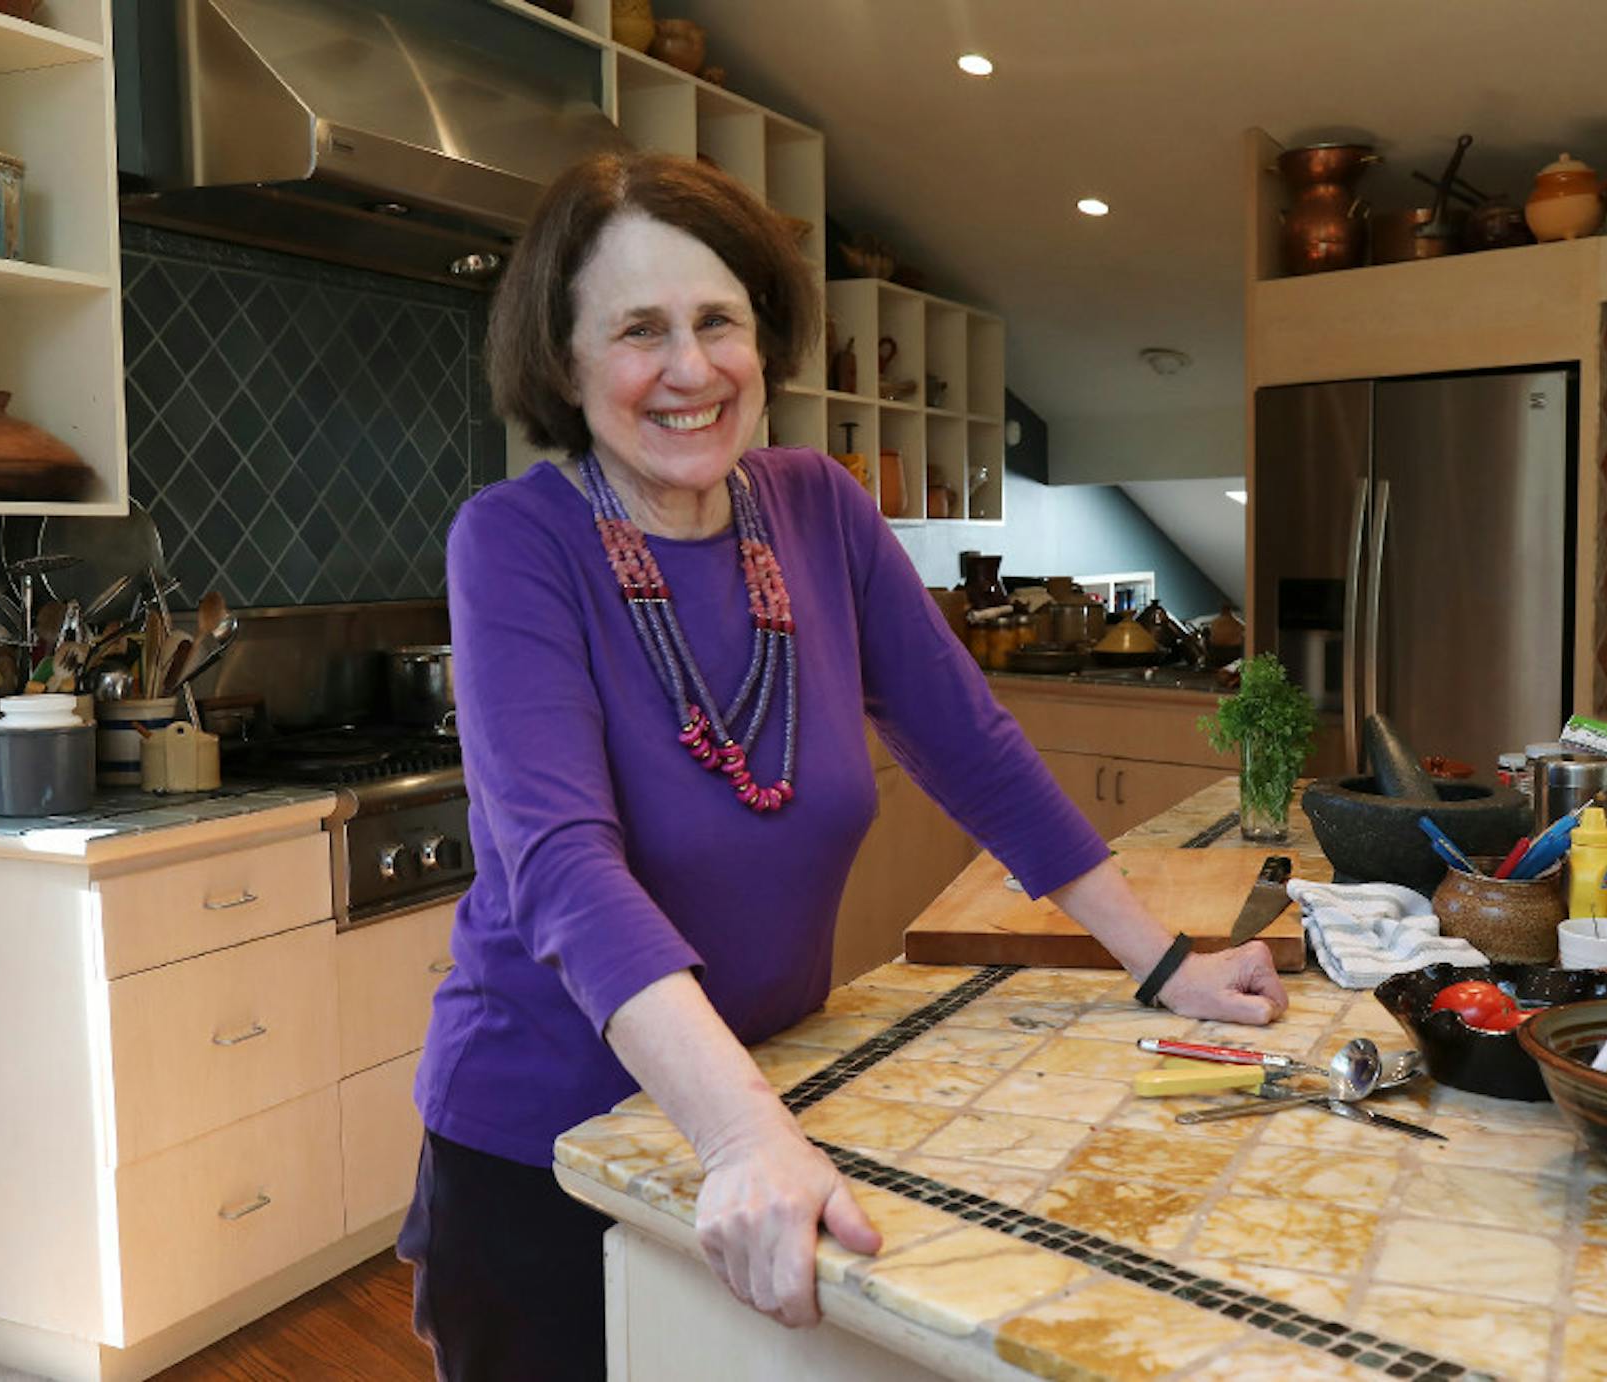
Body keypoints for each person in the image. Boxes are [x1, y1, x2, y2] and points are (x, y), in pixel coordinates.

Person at [400, 150, 1287, 1381]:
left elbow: (971, 745)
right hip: (549, 1138)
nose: (691, 367)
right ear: (562, 360)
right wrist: (743, 1133)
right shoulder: (515, 542)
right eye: (638, 330)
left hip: (764, 1098)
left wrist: (1163, 961)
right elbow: (561, 867)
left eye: (719, 321)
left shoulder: (817, 506)